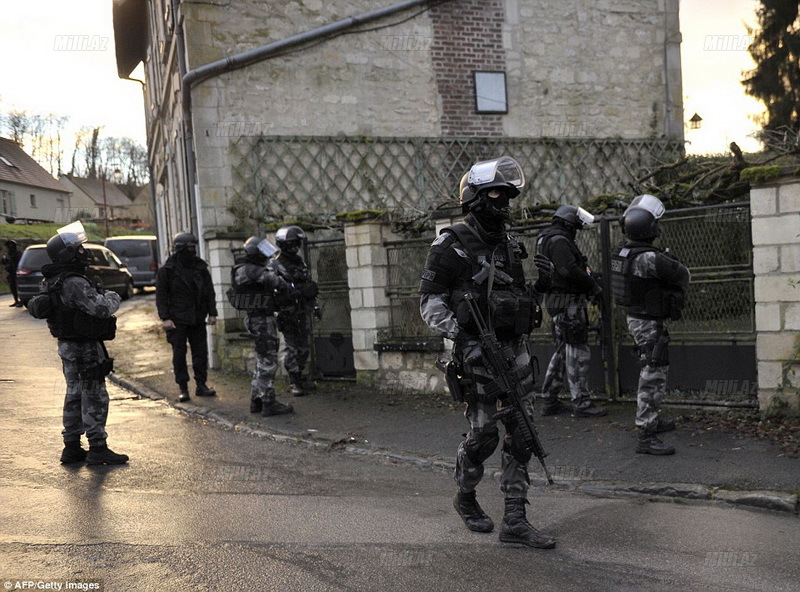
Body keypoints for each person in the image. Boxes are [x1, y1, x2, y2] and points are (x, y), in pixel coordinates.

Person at [419, 157, 557, 549]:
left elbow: (515, 300)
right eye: (496, 193)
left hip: (514, 353)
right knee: (484, 438)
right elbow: (429, 303)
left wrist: (542, 288)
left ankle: (515, 518)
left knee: (522, 434)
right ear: (475, 197)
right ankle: (465, 494)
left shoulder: (511, 246)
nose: (504, 202)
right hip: (476, 356)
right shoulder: (451, 244)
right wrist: (463, 340)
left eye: (508, 195)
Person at [27, 221, 128, 465]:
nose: (83, 252)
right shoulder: (73, 282)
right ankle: (97, 448)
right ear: (68, 254)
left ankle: (71, 447)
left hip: (68, 346)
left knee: (73, 393)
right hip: (84, 348)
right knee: (94, 395)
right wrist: (113, 296)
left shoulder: (54, 280)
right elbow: (102, 309)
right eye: (78, 248)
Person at [611, 195, 690, 455]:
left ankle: (652, 420)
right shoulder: (649, 258)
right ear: (650, 229)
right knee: (653, 372)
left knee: (653, 368)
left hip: (637, 317)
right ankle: (645, 434)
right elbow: (683, 275)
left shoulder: (622, 252)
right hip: (648, 322)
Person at [536, 205, 607, 418]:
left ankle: (550, 400)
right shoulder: (559, 241)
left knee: (561, 352)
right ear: (568, 223)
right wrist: (592, 286)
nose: (576, 229)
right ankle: (581, 402)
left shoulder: (547, 238)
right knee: (577, 352)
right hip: (568, 304)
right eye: (575, 226)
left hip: (558, 302)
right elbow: (569, 271)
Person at [230, 236, 295, 416]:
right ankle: (268, 402)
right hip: (261, 320)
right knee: (268, 361)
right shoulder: (248, 270)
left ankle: (256, 400)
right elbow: (276, 281)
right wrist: (288, 285)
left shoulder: (247, 269)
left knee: (262, 361)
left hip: (257, 319)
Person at [156, 232, 218, 403]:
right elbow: (161, 296)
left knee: (200, 353)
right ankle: (183, 388)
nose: (193, 251)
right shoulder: (167, 270)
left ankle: (201, 385)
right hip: (177, 320)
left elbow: (209, 292)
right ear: (180, 249)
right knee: (179, 354)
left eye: (193, 247)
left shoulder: (200, 267)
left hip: (197, 317)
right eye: (189, 247)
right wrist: (165, 318)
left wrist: (212, 313)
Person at [268, 225, 321, 397]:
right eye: (291, 243)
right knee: (291, 347)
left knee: (304, 347)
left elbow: (307, 286)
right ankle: (294, 380)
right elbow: (272, 288)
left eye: (296, 243)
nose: (295, 247)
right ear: (283, 245)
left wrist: (314, 305)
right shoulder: (275, 264)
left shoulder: (300, 261)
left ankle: (300, 375)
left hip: (301, 309)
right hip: (286, 311)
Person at [2, 239, 22, 307]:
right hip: (11, 273)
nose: (9, 248)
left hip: (18, 273)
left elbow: (19, 263)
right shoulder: (8, 255)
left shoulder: (18, 254)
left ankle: (20, 301)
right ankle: (16, 300)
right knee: (13, 287)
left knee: (18, 287)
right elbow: (4, 262)